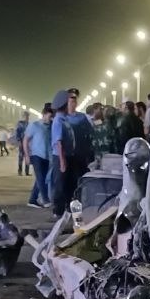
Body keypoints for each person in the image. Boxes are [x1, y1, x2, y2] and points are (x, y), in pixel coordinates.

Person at [51, 87, 92, 218]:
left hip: (76, 156)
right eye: (70, 100)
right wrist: (62, 161)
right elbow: (58, 142)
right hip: (62, 156)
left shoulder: (81, 117)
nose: (72, 103)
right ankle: (58, 211)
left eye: (74, 100)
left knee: (75, 183)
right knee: (61, 183)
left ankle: (72, 210)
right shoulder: (60, 119)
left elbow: (89, 134)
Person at [25, 105, 54, 207]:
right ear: (44, 114)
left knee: (41, 179)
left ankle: (32, 200)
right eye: (50, 116)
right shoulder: (35, 125)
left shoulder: (51, 127)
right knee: (40, 178)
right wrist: (27, 155)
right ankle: (45, 200)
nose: (51, 119)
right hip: (36, 155)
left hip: (46, 157)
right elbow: (26, 140)